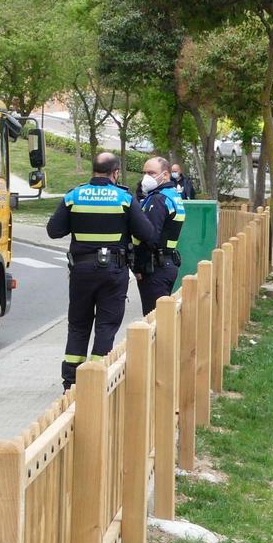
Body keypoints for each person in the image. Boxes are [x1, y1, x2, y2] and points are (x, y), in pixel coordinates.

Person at [47, 153, 155, 391]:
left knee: (78, 324)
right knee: (106, 324)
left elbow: (53, 231)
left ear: (93, 170)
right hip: (113, 272)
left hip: (81, 270)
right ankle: (96, 380)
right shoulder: (124, 198)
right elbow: (147, 234)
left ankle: (71, 382)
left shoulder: (74, 195)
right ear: (115, 172)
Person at [134, 157, 186, 314]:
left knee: (154, 321)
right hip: (166, 263)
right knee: (162, 318)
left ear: (165, 175)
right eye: (144, 173)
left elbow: (149, 237)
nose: (146, 177)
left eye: (151, 173)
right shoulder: (172, 195)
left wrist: (137, 266)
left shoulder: (158, 199)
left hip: (154, 267)